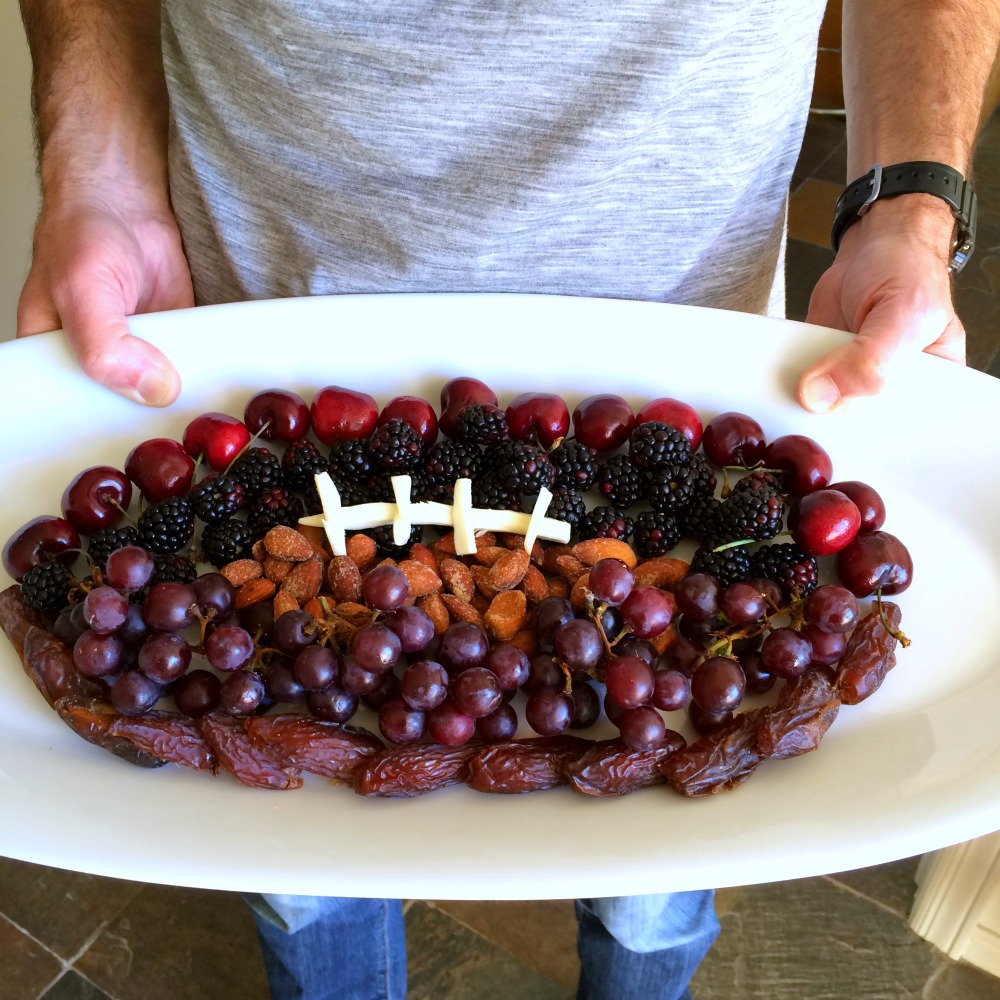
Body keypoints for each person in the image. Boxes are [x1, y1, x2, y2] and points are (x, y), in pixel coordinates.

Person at [14, 2, 997, 998]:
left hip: (691, 336)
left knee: (660, 853)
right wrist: (97, 161)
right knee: (300, 847)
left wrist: (908, 198)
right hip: (262, 323)